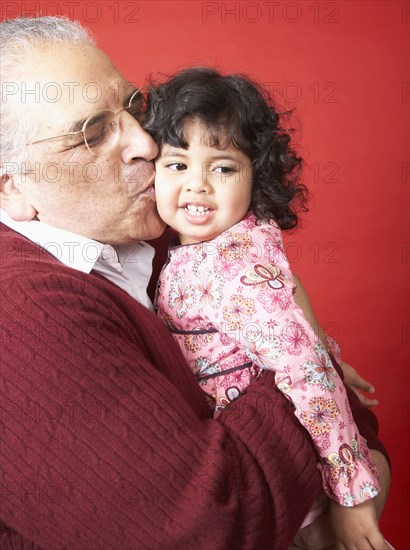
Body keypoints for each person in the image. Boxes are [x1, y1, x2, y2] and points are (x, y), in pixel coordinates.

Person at [0, 16, 389, 550]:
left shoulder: (163, 239)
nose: (145, 143)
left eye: (135, 107)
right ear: (10, 187)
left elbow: (359, 430)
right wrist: (312, 364)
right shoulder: (21, 313)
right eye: (92, 134)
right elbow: (207, 529)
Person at [148, 67, 391, 548]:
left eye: (222, 167)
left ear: (256, 176)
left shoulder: (229, 269)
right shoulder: (228, 242)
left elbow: (304, 369)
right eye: (178, 165)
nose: (197, 185)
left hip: (280, 473)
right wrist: (330, 353)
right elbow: (289, 318)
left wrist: (352, 500)